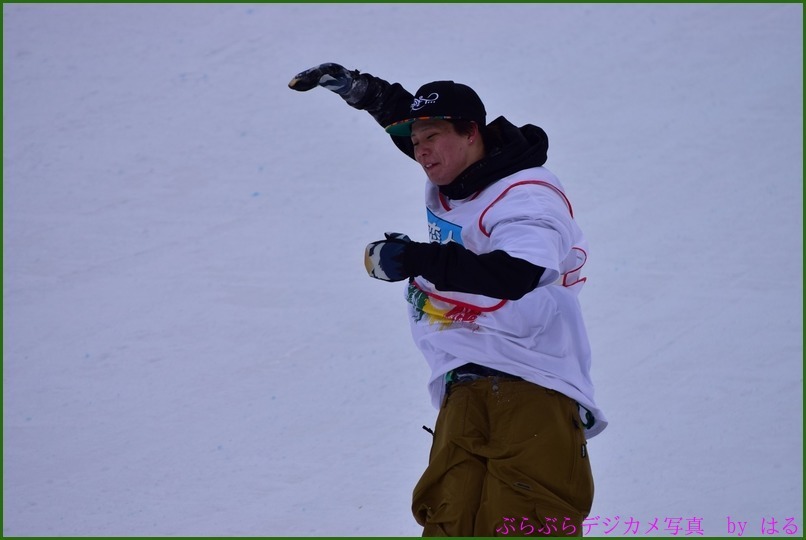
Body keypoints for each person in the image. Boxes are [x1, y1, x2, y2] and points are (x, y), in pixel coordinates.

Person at [289, 63, 607, 537]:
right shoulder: (458, 175)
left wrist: (420, 258)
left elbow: (521, 272)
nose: (421, 152)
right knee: (447, 520)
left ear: (471, 132)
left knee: (523, 525)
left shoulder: (525, 196)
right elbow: (409, 121)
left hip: (531, 383)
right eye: (415, 143)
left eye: (431, 138)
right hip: (463, 382)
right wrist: (360, 90)